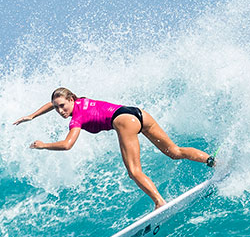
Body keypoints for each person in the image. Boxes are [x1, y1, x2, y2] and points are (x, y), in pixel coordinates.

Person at [15, 87, 214, 209]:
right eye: (56, 108)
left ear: (71, 100)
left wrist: (43, 146)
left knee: (134, 172)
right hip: (136, 113)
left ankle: (159, 202)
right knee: (174, 152)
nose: (59, 111)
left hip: (123, 121)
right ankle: (213, 162)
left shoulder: (77, 117)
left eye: (62, 106)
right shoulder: (80, 101)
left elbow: (67, 145)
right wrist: (32, 115)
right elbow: (54, 102)